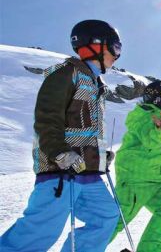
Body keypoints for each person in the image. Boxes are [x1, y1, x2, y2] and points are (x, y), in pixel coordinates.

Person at [0, 19, 122, 251]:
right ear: (95, 45)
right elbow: (47, 119)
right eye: (115, 48)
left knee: (106, 216)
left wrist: (100, 155)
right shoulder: (66, 74)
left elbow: (86, 129)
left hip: (88, 170)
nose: (117, 56)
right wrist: (60, 153)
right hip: (60, 170)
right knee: (40, 231)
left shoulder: (97, 84)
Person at [110, 80, 161, 252]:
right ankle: (86, 247)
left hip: (156, 180)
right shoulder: (143, 115)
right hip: (135, 178)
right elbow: (152, 140)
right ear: (158, 99)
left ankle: (151, 249)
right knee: (116, 220)